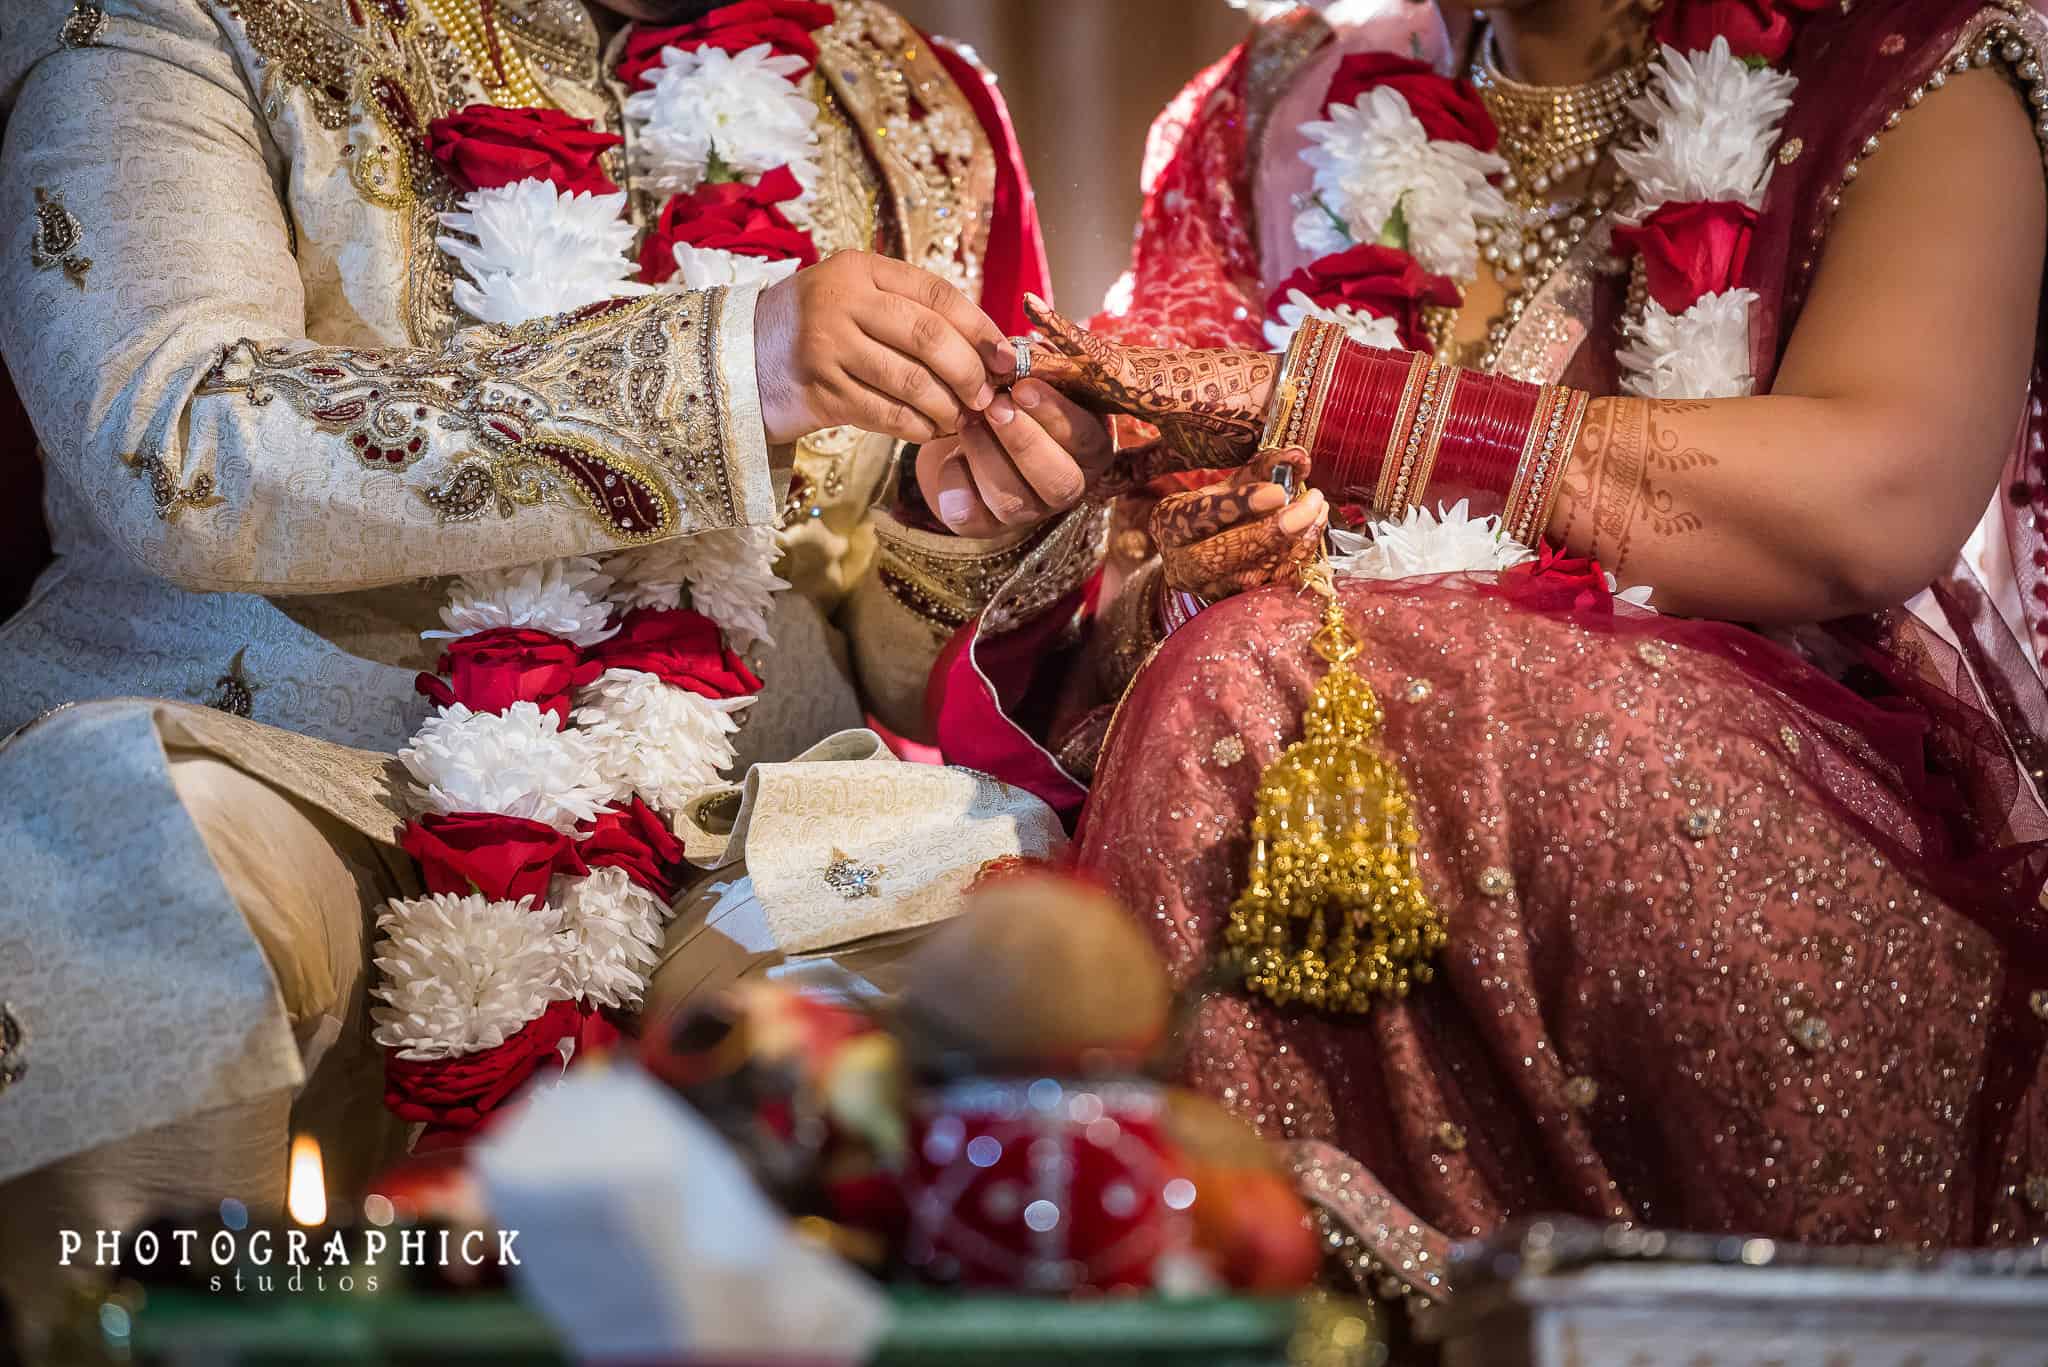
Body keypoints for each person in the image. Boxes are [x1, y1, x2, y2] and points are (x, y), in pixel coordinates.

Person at [0, 0, 1105, 1337]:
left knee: (996, 959)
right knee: (138, 860)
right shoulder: (191, 14)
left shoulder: (897, 93)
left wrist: (950, 520)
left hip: (743, 818)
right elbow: (174, 431)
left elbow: (887, 623)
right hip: (300, 758)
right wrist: (722, 369)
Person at [997, 0, 2048, 1301]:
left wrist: (1335, 409)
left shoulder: (1902, 59)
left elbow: (1875, 502)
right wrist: (1201, 564)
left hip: (1765, 833)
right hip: (1297, 806)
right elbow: (1120, 592)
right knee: (1228, 669)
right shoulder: (1269, 109)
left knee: (1251, 672)